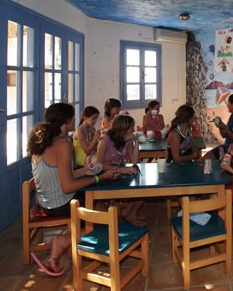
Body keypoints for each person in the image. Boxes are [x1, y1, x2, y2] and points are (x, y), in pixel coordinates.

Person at [27, 103, 129, 276]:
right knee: (108, 219)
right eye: (73, 117)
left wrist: (85, 171)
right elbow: (68, 186)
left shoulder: (42, 141)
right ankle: (63, 241)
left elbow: (60, 174)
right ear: (66, 121)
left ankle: (75, 240)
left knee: (103, 210)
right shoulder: (63, 144)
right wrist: (99, 177)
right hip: (61, 203)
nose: (75, 120)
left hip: (46, 202)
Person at [96, 114, 145, 226]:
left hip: (119, 173)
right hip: (106, 174)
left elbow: (134, 161)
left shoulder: (127, 140)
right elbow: (99, 165)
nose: (133, 130)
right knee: (138, 187)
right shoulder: (105, 139)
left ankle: (129, 213)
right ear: (124, 128)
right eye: (132, 127)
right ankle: (128, 213)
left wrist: (136, 141)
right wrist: (120, 169)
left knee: (144, 186)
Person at [203, 92, 233, 161]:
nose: (227, 105)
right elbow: (224, 135)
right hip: (226, 147)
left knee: (216, 160)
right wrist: (220, 126)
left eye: (229, 103)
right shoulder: (232, 116)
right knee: (206, 157)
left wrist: (225, 128)